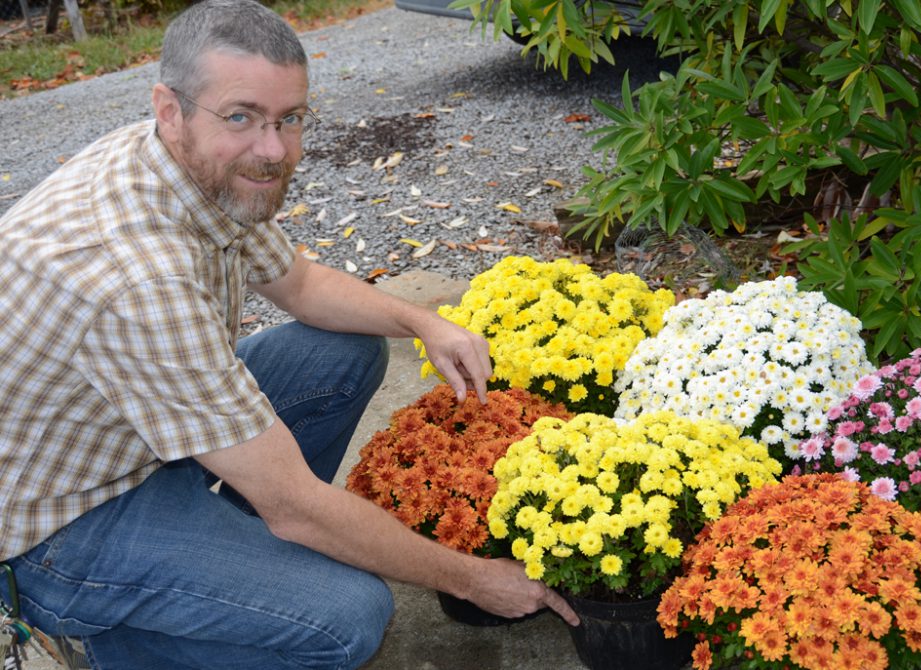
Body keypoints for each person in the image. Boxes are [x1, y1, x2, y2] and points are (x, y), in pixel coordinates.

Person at [0, 0, 577, 667]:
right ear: (169, 108)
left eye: (290, 118)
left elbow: (300, 286)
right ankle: (121, 642)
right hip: (66, 526)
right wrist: (475, 578)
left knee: (343, 351)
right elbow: (296, 507)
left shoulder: (188, 165)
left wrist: (425, 323)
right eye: (241, 117)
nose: (273, 150)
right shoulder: (137, 279)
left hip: (130, 435)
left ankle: (226, 570)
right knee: (349, 616)